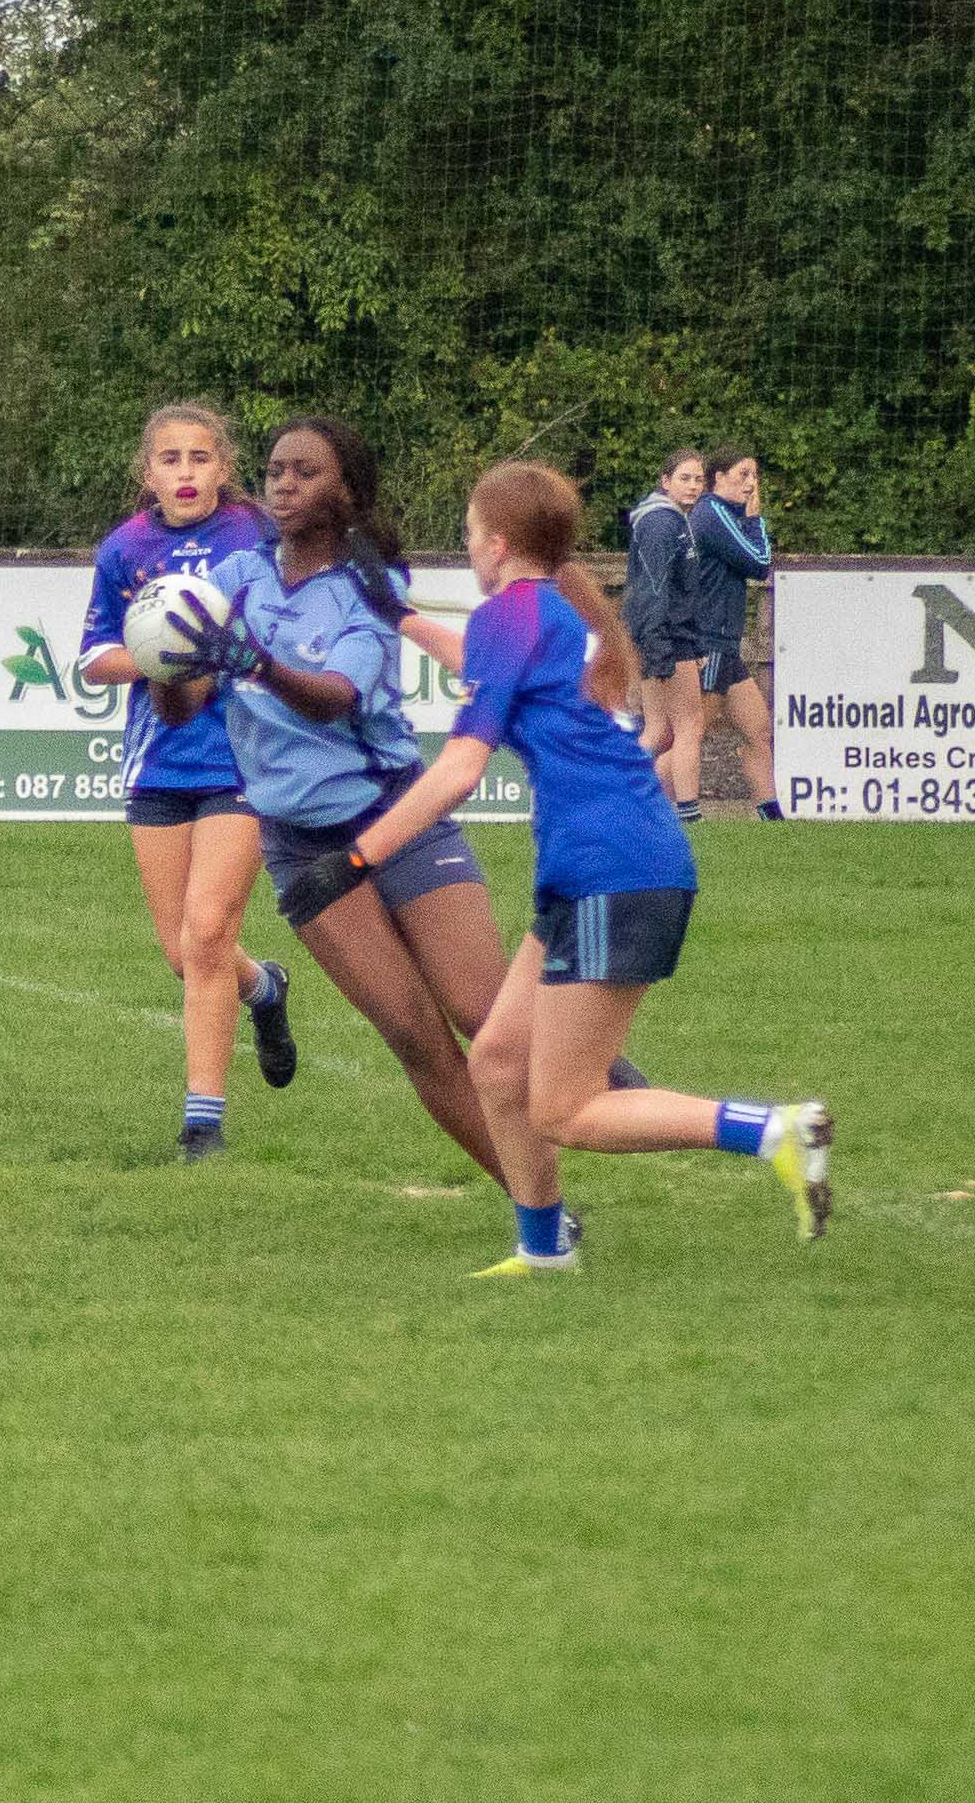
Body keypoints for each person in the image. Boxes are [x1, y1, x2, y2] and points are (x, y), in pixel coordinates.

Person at [343, 462, 834, 1274]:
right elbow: (481, 663)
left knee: (565, 1108)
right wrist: (396, 614)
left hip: (614, 863)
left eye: (470, 532)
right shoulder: (547, 608)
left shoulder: (513, 613)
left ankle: (775, 1130)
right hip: (598, 863)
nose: (468, 546)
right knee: (498, 1063)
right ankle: (544, 1251)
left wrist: (362, 853)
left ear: (497, 543)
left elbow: (460, 768)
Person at [150, 417, 520, 1202]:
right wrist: (164, 659)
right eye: (276, 471)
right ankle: (540, 1211)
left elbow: (334, 699)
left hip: (396, 818)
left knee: (485, 1016)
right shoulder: (238, 576)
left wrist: (254, 660)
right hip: (299, 847)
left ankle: (597, 1068)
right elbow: (182, 708)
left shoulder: (368, 589)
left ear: (345, 490)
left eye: (305, 472)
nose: (284, 484)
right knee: (415, 1037)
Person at [75, 403, 298, 1160]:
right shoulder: (124, 549)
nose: (186, 472)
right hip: (159, 761)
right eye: (170, 459)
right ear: (149, 474)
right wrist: (160, 651)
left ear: (223, 467)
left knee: (206, 934)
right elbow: (95, 657)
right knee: (185, 953)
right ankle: (264, 988)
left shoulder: (257, 536)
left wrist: (234, 649)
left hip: (242, 758)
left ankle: (203, 1124)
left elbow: (290, 623)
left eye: (200, 458)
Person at [676, 446, 780, 817]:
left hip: (725, 645)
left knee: (758, 730)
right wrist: (755, 519)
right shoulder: (712, 513)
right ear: (719, 478)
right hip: (710, 642)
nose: (751, 484)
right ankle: (627, 805)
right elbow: (760, 563)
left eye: (755, 476)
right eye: (743, 475)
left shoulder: (722, 515)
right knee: (691, 736)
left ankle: (774, 821)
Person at [624, 450, 708, 821]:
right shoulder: (661, 522)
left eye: (698, 479)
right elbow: (653, 589)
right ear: (665, 481)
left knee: (658, 731)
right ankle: (690, 813)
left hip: (660, 635)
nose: (693, 486)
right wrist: (658, 647)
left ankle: (615, 795)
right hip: (667, 637)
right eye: (684, 478)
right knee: (690, 725)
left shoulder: (670, 518)